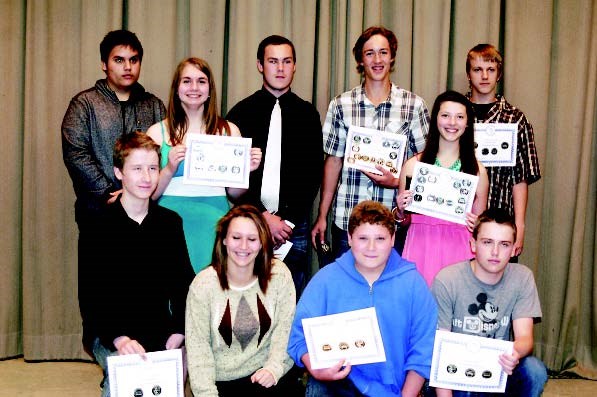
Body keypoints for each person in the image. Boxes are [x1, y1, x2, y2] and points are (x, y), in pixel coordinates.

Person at [61, 29, 166, 352]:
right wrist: (111, 191)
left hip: (146, 219)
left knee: (147, 291)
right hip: (99, 217)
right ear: (104, 64)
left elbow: (162, 153)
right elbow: (75, 152)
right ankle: (107, 351)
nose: (127, 67)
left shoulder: (154, 106)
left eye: (134, 60)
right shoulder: (85, 104)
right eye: (119, 60)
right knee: (101, 291)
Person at [81, 132, 195, 397]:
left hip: (159, 329)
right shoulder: (97, 226)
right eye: (137, 169)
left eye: (153, 168)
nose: (146, 177)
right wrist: (119, 339)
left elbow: (183, 284)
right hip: (110, 331)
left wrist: (179, 330)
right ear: (118, 172)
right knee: (128, 386)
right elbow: (90, 295)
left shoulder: (170, 222)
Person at [288, 200, 437, 396]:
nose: (371, 247)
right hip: (334, 383)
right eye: (363, 238)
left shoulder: (413, 284)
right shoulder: (325, 280)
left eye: (381, 239)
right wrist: (316, 369)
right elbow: (298, 338)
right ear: (349, 238)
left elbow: (423, 348)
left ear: (393, 239)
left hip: (393, 391)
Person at [312, 26, 430, 262]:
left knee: (391, 295)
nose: (377, 60)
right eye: (369, 53)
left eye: (383, 52)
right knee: (347, 295)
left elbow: (424, 165)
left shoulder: (413, 106)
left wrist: (395, 182)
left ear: (392, 56)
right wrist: (322, 214)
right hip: (348, 221)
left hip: (394, 222)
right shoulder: (341, 105)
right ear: (360, 60)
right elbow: (333, 161)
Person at [226, 35, 323, 295]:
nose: (280, 69)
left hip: (293, 228)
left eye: (286, 61)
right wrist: (261, 215)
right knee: (245, 295)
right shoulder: (239, 114)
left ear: (294, 66)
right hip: (249, 220)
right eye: (272, 61)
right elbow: (230, 175)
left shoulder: (308, 115)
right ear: (260, 65)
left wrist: (287, 221)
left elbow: (313, 174)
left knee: (289, 298)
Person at [146, 57, 262, 273]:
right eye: (187, 81)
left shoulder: (229, 131)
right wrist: (170, 168)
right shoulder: (156, 133)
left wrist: (246, 171)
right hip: (169, 225)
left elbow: (235, 194)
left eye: (201, 81)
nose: (194, 87)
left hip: (214, 223)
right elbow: (149, 195)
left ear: (210, 89)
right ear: (176, 88)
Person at [431, 208, 548, 397]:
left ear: (513, 249)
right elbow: (440, 351)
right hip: (454, 373)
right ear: (473, 244)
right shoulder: (447, 280)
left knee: (534, 371)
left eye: (504, 244)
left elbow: (525, 338)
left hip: (497, 367)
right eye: (487, 242)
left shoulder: (522, 277)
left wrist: (515, 354)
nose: (495, 252)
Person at [185, 205, 297, 397]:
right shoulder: (203, 285)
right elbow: (198, 350)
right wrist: (206, 394)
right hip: (221, 382)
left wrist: (274, 369)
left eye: (252, 239)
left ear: (262, 242)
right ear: (224, 240)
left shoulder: (280, 275)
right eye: (236, 238)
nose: (244, 246)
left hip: (268, 375)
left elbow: (285, 332)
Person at [395, 90, 489, 286]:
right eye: (445, 115)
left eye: (460, 117)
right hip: (420, 245)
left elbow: (482, 228)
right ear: (435, 119)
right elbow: (403, 221)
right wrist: (400, 211)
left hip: (459, 249)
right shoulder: (413, 166)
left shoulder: (478, 172)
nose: (452, 123)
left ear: (468, 123)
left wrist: (477, 225)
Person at [465, 44, 541, 258]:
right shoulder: (455, 114)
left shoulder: (515, 119)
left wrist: (520, 226)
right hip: (460, 223)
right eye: (477, 70)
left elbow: (521, 179)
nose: (484, 76)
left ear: (499, 74)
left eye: (490, 70)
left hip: (500, 224)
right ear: (468, 74)